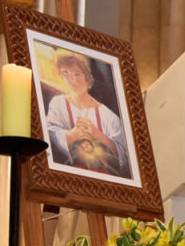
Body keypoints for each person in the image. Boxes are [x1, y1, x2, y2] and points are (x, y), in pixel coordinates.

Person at [46, 49, 130, 178]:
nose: (72, 80)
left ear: (87, 77)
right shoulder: (58, 103)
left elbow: (124, 156)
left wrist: (98, 135)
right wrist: (71, 135)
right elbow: (50, 133)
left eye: (77, 74)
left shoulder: (109, 117)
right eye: (65, 73)